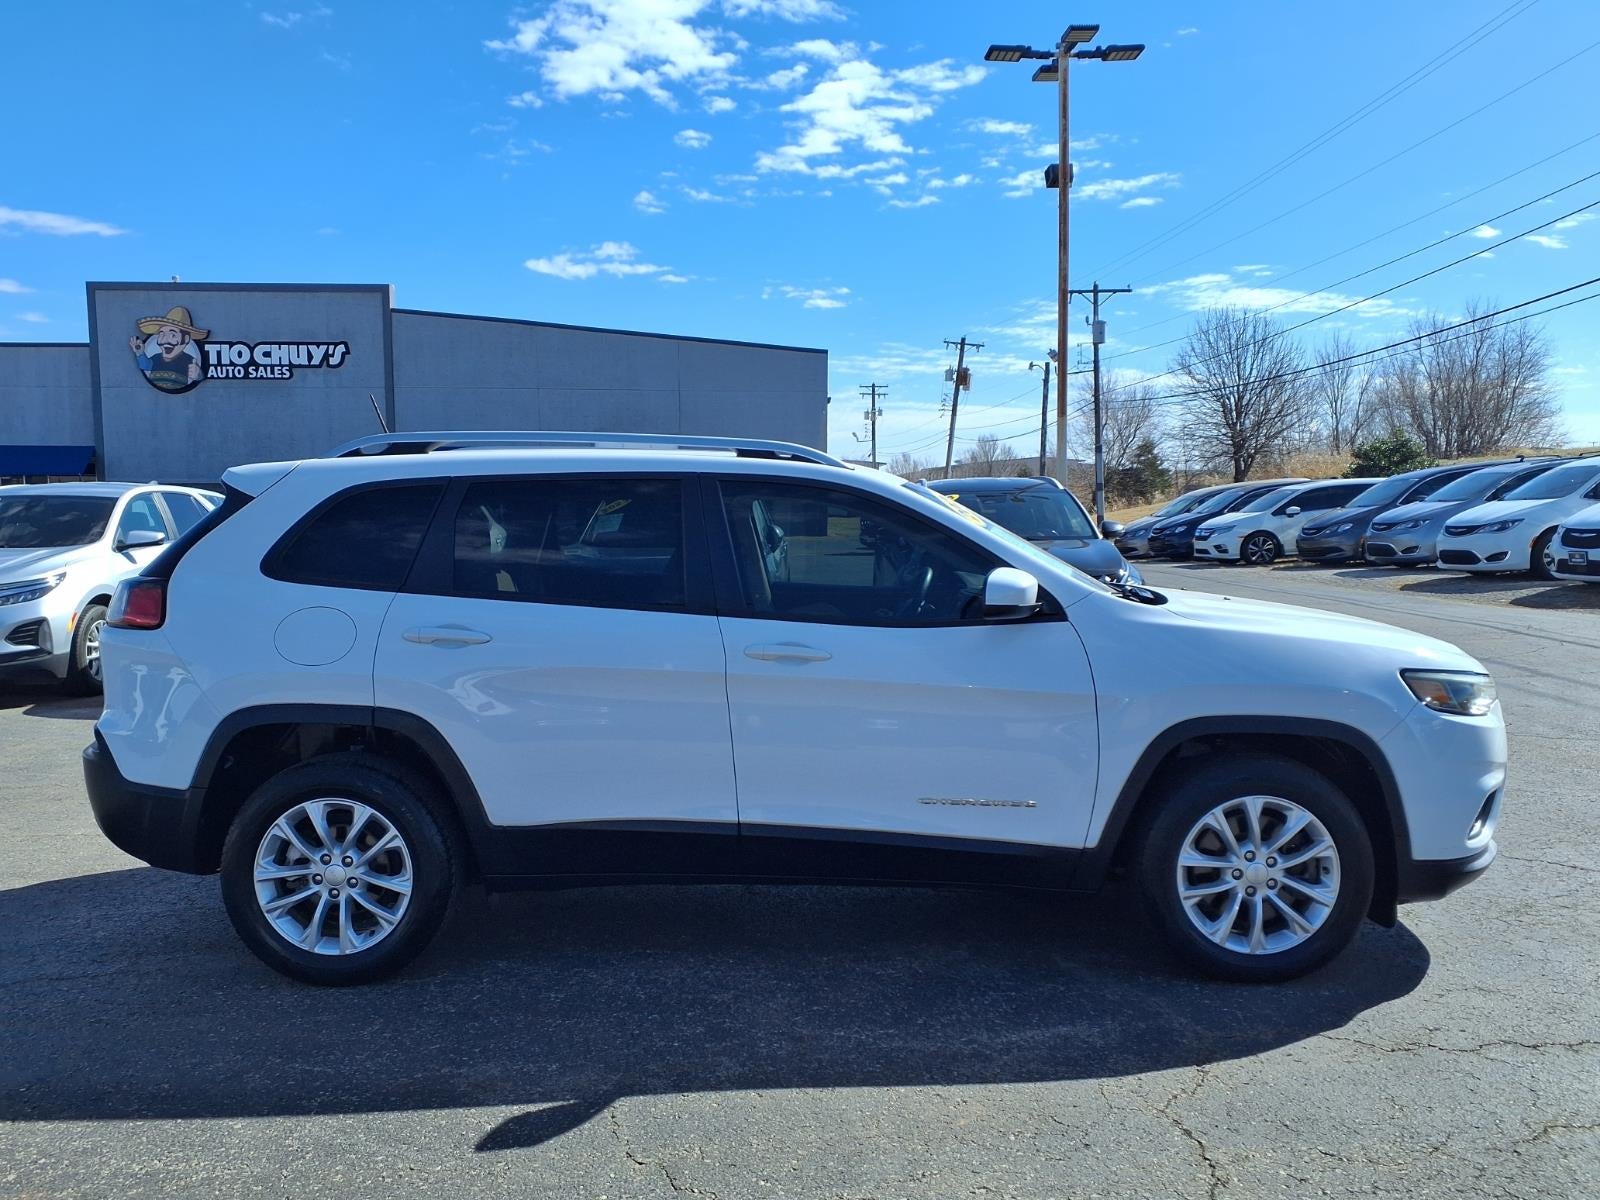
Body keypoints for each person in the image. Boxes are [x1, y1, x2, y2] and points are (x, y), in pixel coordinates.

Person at [129, 305, 207, 392]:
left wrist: (198, 375)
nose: (164, 340)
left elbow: (199, 376)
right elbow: (145, 366)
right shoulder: (156, 358)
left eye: (172, 335)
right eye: (162, 334)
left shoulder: (189, 361)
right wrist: (140, 353)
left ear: (186, 339)